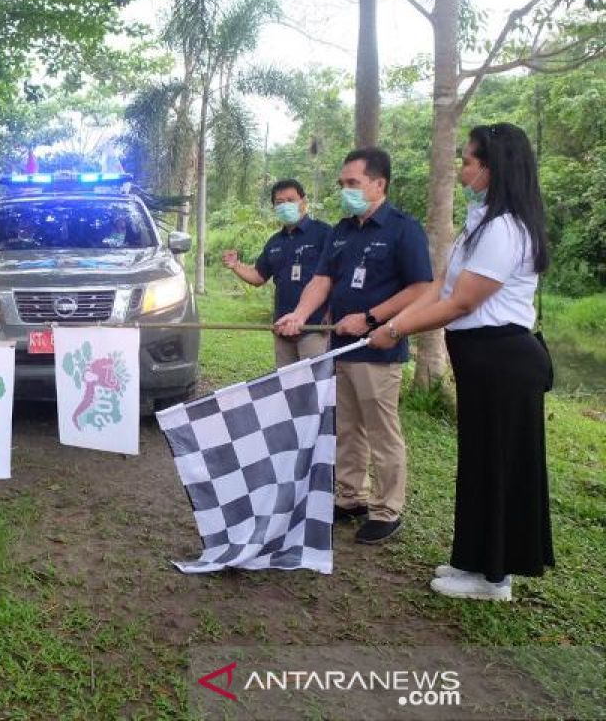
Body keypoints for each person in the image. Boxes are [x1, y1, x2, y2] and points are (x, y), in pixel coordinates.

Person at [369, 123, 553, 601]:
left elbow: (461, 304)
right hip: (482, 361)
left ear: (491, 168)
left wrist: (393, 331)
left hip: (503, 362)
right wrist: (392, 318)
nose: (462, 167)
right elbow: (439, 290)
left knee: (498, 466)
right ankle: (474, 561)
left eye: (469, 160)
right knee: (479, 464)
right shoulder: (482, 223)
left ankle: (495, 578)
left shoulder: (506, 229)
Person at [274, 148, 432, 545]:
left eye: (353, 183)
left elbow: (420, 289)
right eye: (343, 184)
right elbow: (322, 280)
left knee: (382, 432)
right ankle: (351, 497)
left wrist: (371, 317)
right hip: (339, 347)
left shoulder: (403, 228)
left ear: (379, 184)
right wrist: (299, 313)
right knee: (346, 427)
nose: (346, 191)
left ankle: (387, 509)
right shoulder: (342, 231)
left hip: (378, 350)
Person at [223, 179, 332, 366]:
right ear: (274, 207)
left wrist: (330, 314)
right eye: (279, 203)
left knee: (315, 387)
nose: (285, 206)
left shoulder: (324, 233)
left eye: (291, 200)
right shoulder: (275, 242)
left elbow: (335, 276)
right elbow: (258, 277)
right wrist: (235, 265)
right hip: (282, 328)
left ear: (303, 202)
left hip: (314, 328)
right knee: (287, 387)